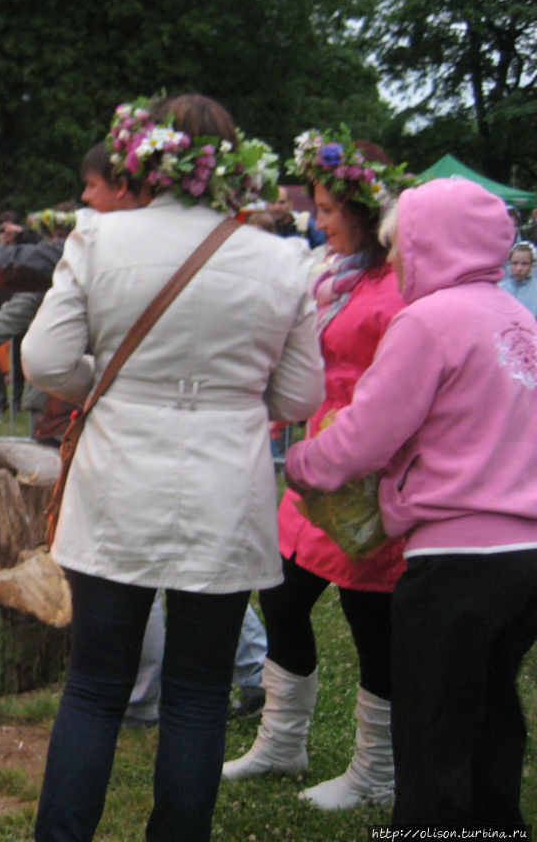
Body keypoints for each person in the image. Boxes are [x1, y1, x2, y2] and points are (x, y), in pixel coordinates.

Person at [23, 94, 323, 841]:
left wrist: (114, 379)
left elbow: (46, 360)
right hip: (224, 483)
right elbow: (299, 393)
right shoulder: (281, 256)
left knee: (94, 686)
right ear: (231, 162)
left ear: (143, 159)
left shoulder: (99, 238)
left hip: (118, 478)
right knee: (196, 693)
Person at [284, 178, 537, 827]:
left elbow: (367, 435)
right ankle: (496, 826)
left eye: (401, 244)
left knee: (432, 729)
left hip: (454, 555)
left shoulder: (427, 320)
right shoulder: (514, 314)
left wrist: (303, 466)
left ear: (430, 243)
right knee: (490, 712)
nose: (393, 258)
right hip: (523, 554)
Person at [223, 128, 417, 811]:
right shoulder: (333, 276)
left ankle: (376, 772)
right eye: (318, 208)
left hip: (369, 475)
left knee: (372, 619)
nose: (318, 220)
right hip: (315, 470)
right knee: (280, 597)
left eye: (331, 210)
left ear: (366, 212)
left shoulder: (400, 286)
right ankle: (282, 743)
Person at [498, 241, 537, 318]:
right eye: (515, 263)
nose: (519, 268)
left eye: (524, 264)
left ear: (532, 265)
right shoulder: (499, 289)